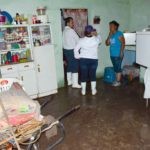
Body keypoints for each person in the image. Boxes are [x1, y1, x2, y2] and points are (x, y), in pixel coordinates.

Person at [74, 25, 102, 95]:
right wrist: (97, 34)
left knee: (84, 75)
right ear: (92, 32)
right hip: (93, 60)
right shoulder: (96, 40)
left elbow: (75, 49)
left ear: (85, 32)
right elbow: (100, 40)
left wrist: (78, 56)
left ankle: (83, 91)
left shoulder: (81, 40)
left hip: (83, 60)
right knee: (93, 75)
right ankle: (93, 90)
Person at [62, 17, 81, 88]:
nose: (73, 23)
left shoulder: (64, 31)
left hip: (66, 50)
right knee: (75, 66)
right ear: (68, 23)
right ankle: (75, 84)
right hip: (72, 50)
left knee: (69, 65)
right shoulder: (71, 31)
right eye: (72, 22)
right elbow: (78, 40)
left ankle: (69, 81)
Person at [105, 20, 125, 87]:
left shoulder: (119, 34)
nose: (110, 27)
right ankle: (117, 80)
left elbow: (123, 43)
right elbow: (107, 43)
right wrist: (109, 35)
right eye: (109, 26)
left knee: (118, 68)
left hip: (118, 54)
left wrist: (121, 52)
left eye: (111, 26)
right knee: (116, 68)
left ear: (115, 26)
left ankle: (118, 82)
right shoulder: (111, 35)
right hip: (112, 54)